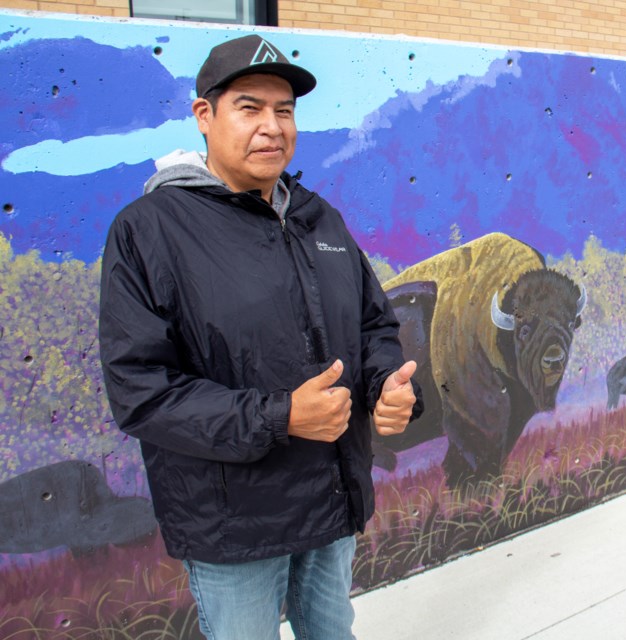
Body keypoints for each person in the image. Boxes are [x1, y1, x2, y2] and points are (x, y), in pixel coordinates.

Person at [98, 34, 422, 639]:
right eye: (250, 108)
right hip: (233, 523)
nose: (272, 127)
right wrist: (280, 416)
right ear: (205, 115)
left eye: (285, 110)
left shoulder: (317, 217)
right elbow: (140, 391)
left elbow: (374, 323)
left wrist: (387, 386)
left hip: (332, 496)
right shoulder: (149, 232)